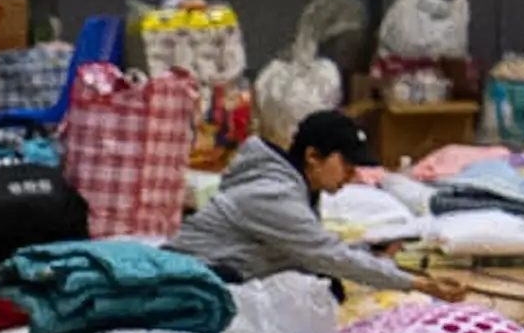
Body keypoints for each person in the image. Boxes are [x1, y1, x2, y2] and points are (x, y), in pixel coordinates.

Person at [169, 107, 413, 292]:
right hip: (188, 280)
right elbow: (325, 254)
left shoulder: (302, 190)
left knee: (326, 285)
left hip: (230, 269)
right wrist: (416, 283)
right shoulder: (273, 193)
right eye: (346, 166)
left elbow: (316, 248)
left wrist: (373, 253)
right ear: (313, 156)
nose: (351, 177)